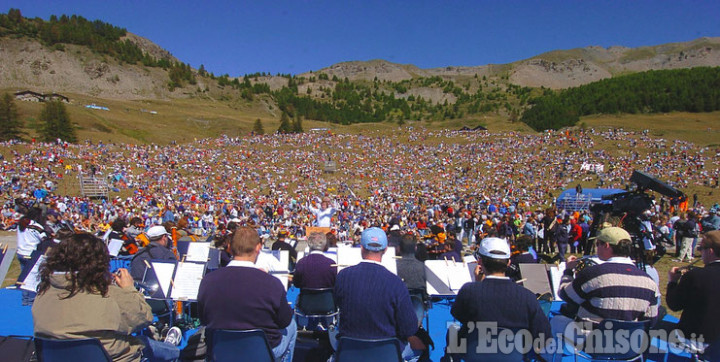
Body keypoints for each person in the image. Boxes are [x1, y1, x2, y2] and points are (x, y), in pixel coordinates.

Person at [32, 233, 180, 362]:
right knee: (152, 345)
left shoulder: (43, 293)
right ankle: (174, 349)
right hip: (112, 357)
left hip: (58, 356)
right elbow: (143, 317)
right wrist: (128, 289)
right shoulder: (107, 294)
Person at [198, 226, 296, 362]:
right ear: (258, 248)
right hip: (261, 351)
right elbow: (284, 321)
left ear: (230, 248)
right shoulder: (271, 284)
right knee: (292, 325)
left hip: (221, 349)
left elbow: (203, 319)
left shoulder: (207, 281)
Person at [448, 237, 551, 359]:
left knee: (452, 330)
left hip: (475, 354)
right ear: (508, 263)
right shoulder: (527, 296)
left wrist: (478, 284)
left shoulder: (469, 291)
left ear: (480, 262)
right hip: (514, 356)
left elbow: (460, 315)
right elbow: (543, 335)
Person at [552, 227, 660, 342]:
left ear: (606, 246)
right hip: (628, 343)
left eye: (597, 244)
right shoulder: (649, 282)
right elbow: (651, 321)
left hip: (592, 341)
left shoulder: (593, 274)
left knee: (556, 321)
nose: (596, 247)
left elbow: (565, 295)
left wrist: (568, 272)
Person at [332, 227, 419, 360]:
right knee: (417, 351)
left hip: (349, 352)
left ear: (361, 248)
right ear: (385, 250)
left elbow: (337, 306)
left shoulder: (343, 276)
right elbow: (409, 328)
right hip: (386, 354)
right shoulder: (396, 283)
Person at [667, 230, 720, 352]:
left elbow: (674, 305)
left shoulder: (695, 275)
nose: (699, 252)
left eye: (701, 248)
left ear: (710, 251)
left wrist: (673, 282)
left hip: (693, 341)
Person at [17, 207, 46, 306]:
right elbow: (44, 239)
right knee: (33, 278)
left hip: (21, 252)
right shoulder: (37, 227)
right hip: (31, 254)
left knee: (24, 277)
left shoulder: (21, 224)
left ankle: (25, 299)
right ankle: (31, 300)